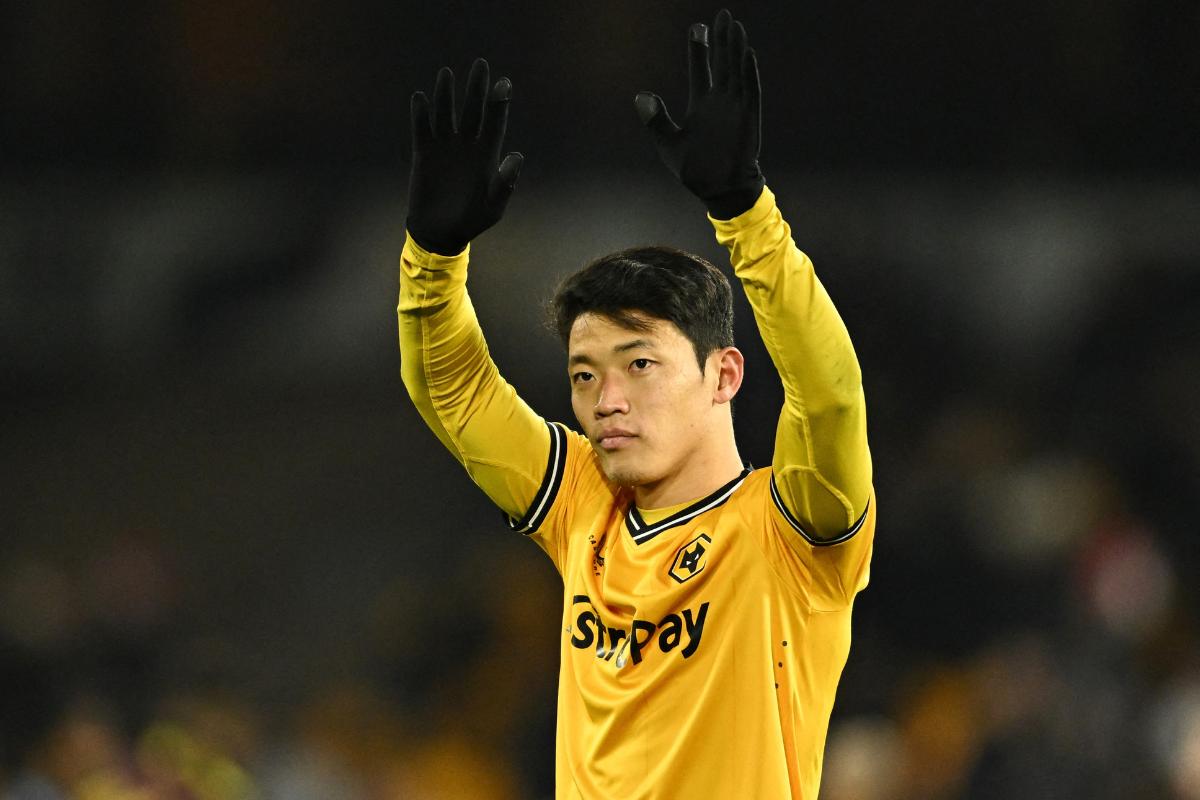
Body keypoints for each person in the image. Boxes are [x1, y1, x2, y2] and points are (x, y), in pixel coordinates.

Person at [398, 9, 874, 798]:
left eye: (640, 364)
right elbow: (452, 389)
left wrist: (744, 212)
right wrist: (434, 258)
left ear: (723, 376)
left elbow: (829, 395)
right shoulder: (583, 503)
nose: (606, 400)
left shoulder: (793, 533)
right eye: (584, 375)